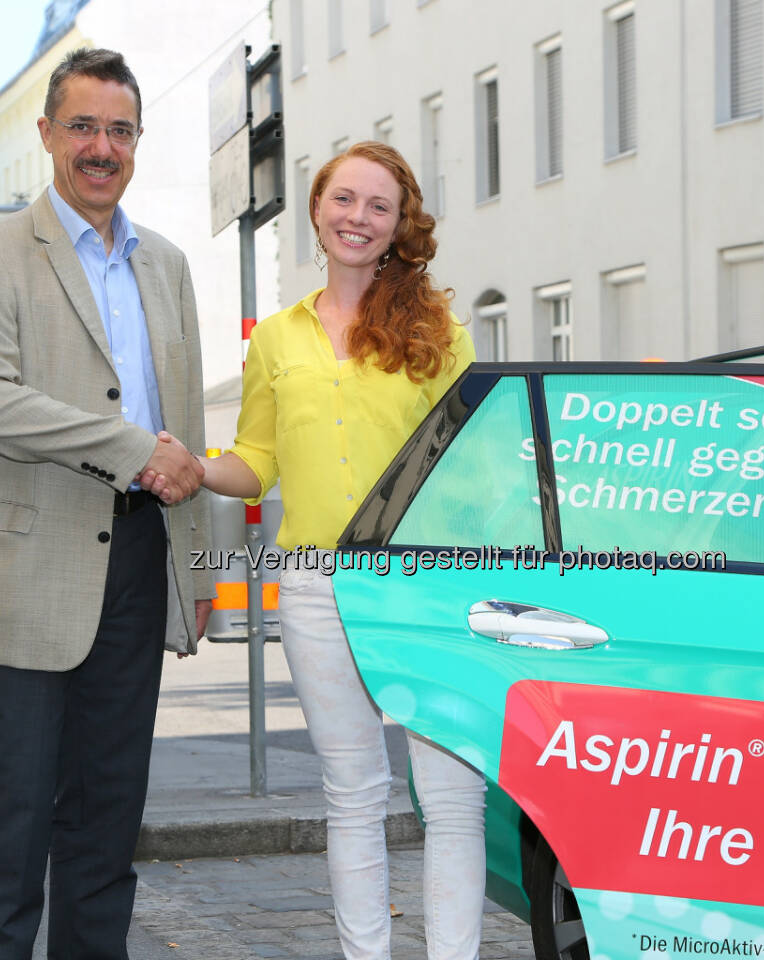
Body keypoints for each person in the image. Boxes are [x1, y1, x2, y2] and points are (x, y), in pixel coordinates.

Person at [143, 141, 485, 960]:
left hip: (428, 588)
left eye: (378, 205)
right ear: (317, 209)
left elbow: (474, 467)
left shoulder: (443, 331)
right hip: (317, 588)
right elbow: (256, 461)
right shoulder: (277, 339)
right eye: (344, 200)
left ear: (401, 224)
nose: (357, 219)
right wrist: (196, 466)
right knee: (354, 795)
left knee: (451, 799)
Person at [0, 47, 214, 960]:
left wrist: (194, 567)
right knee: (5, 834)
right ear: (49, 134)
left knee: (106, 834)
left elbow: (184, 424)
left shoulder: (167, 264)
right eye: (84, 126)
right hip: (23, 572)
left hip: (136, 569)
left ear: (138, 141)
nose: (103, 146)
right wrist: (136, 452)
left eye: (121, 129)